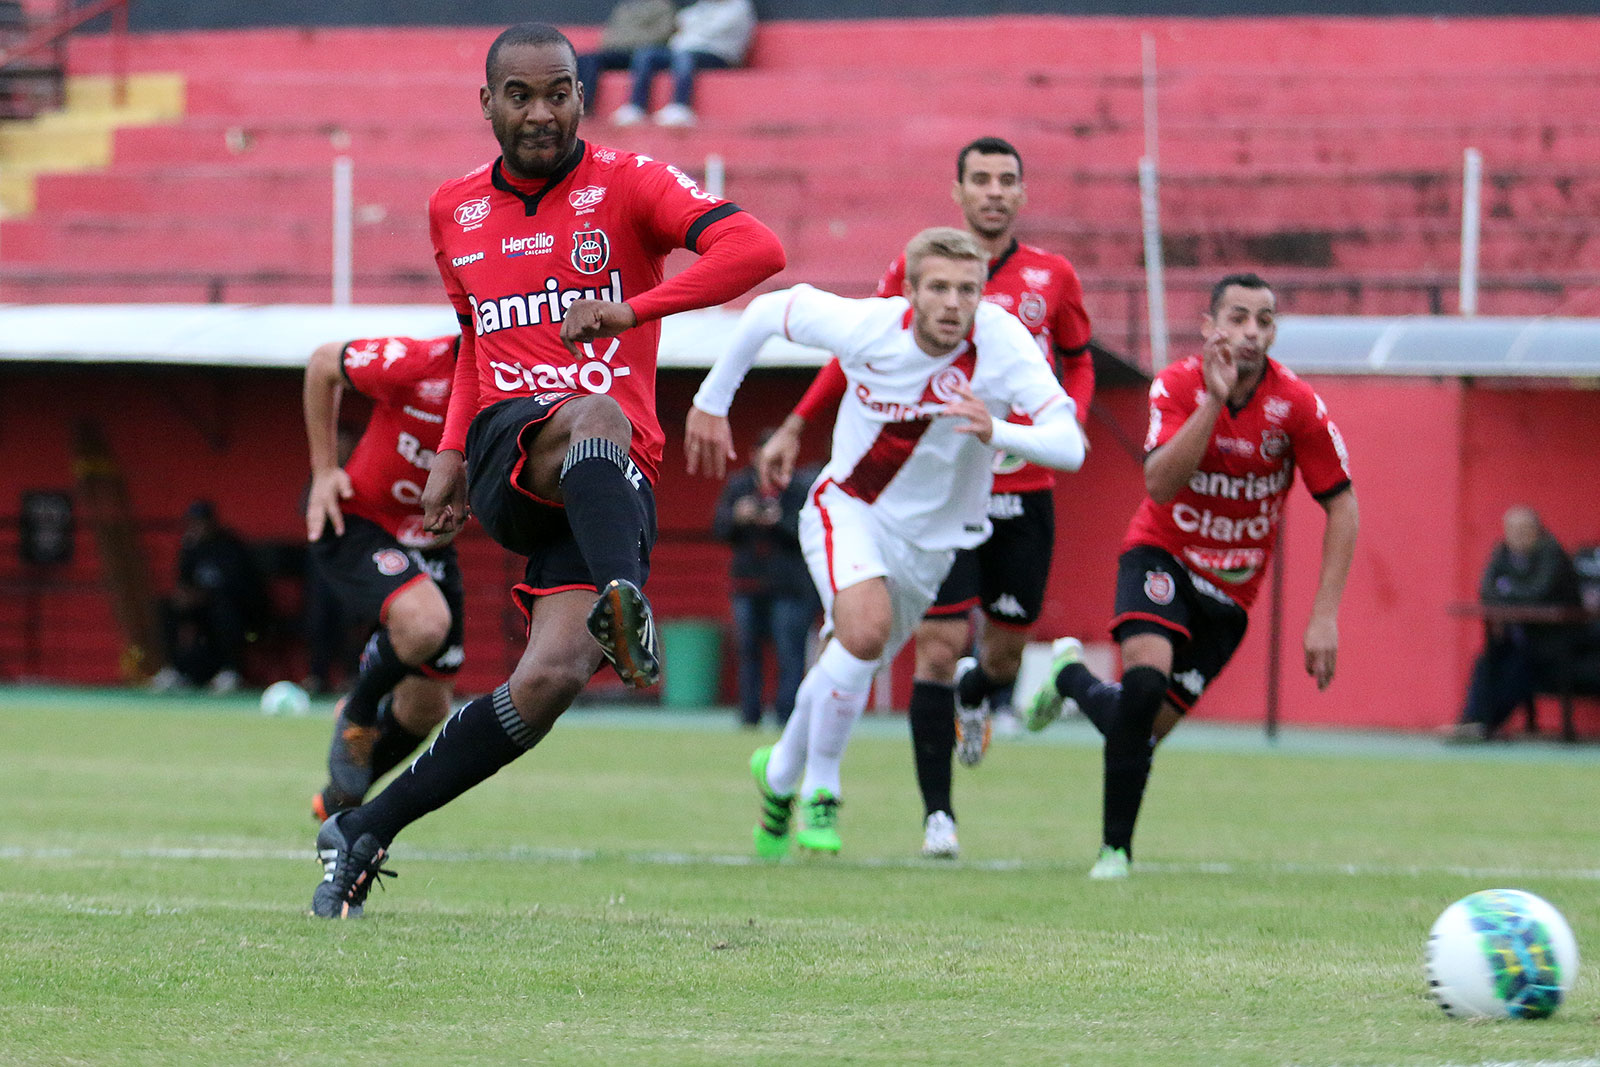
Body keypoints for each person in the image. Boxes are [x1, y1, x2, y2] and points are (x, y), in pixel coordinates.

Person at [309, 22, 784, 918]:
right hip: (509, 446)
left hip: (613, 472)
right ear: (486, 103)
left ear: (581, 95)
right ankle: (624, 598)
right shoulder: (454, 207)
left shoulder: (631, 182)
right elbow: (472, 344)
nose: (541, 111)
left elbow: (756, 251)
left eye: (558, 92)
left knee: (549, 679)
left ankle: (364, 829)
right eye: (519, 95)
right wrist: (450, 451)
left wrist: (632, 309)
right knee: (593, 409)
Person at [685, 226, 1088, 860]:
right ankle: (822, 788)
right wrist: (712, 401)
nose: (953, 303)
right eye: (938, 288)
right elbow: (764, 311)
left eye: (967, 290)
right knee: (864, 633)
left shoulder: (1003, 344)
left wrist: (1000, 429)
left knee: (853, 656)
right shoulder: (870, 327)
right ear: (910, 291)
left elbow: (1069, 444)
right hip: (847, 508)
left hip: (932, 545)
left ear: (983, 295)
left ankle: (781, 771)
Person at [1022, 272, 1358, 880]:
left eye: (1263, 320)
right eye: (1237, 318)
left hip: (1231, 594)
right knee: (1144, 685)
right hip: (1161, 556)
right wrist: (1213, 400)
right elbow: (1159, 482)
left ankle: (1070, 677)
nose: (1250, 332)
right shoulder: (1177, 384)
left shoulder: (1297, 405)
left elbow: (1342, 503)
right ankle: (1114, 854)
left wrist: (1324, 615)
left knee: (1141, 728)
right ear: (1209, 327)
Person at [302, 334, 466, 822]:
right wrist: (324, 469)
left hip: (432, 545)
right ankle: (357, 710)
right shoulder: (417, 364)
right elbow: (321, 362)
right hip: (360, 524)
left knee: (427, 707)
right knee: (425, 624)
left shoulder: (522, 387)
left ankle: (341, 801)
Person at [712, 432, 820, 728]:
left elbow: (812, 533)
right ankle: (750, 716)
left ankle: (788, 718)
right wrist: (738, 516)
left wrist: (781, 520)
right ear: (754, 455)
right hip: (748, 584)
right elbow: (719, 528)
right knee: (748, 652)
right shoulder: (740, 486)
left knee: (790, 653)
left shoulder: (799, 488)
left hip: (790, 586)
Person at [1450, 506, 1581, 741]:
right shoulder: (1501, 552)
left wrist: (1507, 590)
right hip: (1516, 638)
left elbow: (1538, 593)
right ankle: (1471, 721)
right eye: (1511, 529)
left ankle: (1488, 724)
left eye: (1523, 529)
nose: (1516, 535)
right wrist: (1508, 593)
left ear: (1536, 530)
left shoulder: (1551, 553)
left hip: (1553, 642)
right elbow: (1487, 589)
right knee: (1486, 662)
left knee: (1517, 668)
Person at [148, 499, 270, 694]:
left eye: (200, 522)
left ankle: (230, 671)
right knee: (167, 607)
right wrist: (186, 596)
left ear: (212, 522)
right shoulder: (191, 547)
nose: (196, 527)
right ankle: (173, 671)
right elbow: (184, 583)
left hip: (241, 610)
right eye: (192, 522)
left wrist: (207, 595)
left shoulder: (229, 546)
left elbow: (241, 588)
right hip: (203, 610)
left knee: (224, 608)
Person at [612, 0, 755, 128]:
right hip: (686, 51)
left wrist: (688, 31)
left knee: (684, 57)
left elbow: (709, 31)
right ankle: (635, 107)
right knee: (646, 55)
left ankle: (680, 107)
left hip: (719, 55)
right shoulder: (703, 6)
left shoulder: (739, 7)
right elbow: (681, 19)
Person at [575, 0, 675, 117]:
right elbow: (610, 33)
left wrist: (631, 40)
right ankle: (582, 106)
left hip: (641, 51)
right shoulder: (624, 8)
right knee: (586, 58)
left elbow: (662, 34)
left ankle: (636, 107)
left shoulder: (662, 7)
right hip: (617, 51)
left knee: (643, 57)